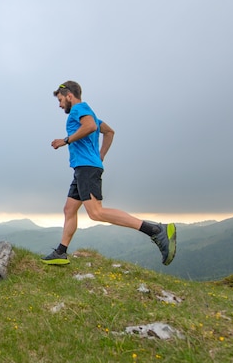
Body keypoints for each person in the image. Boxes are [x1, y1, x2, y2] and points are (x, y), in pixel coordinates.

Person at [41, 80, 176, 266]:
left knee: (96, 212)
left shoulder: (78, 110)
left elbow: (90, 127)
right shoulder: (90, 112)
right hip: (84, 167)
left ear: (69, 95)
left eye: (61, 99)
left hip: (86, 168)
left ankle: (155, 230)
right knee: (69, 209)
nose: (60, 104)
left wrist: (65, 140)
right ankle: (60, 252)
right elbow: (109, 132)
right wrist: (100, 155)